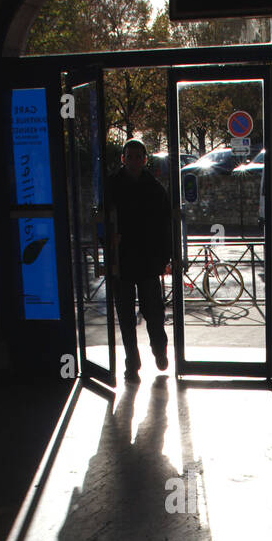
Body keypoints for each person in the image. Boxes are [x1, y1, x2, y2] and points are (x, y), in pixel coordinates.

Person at [106, 139, 172, 384]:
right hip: (124, 262)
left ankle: (158, 350)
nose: (133, 161)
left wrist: (164, 257)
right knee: (126, 317)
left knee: (153, 313)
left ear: (144, 159)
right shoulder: (117, 186)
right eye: (129, 156)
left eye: (137, 157)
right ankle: (132, 364)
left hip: (145, 261)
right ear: (123, 159)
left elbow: (165, 226)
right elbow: (100, 220)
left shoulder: (152, 188)